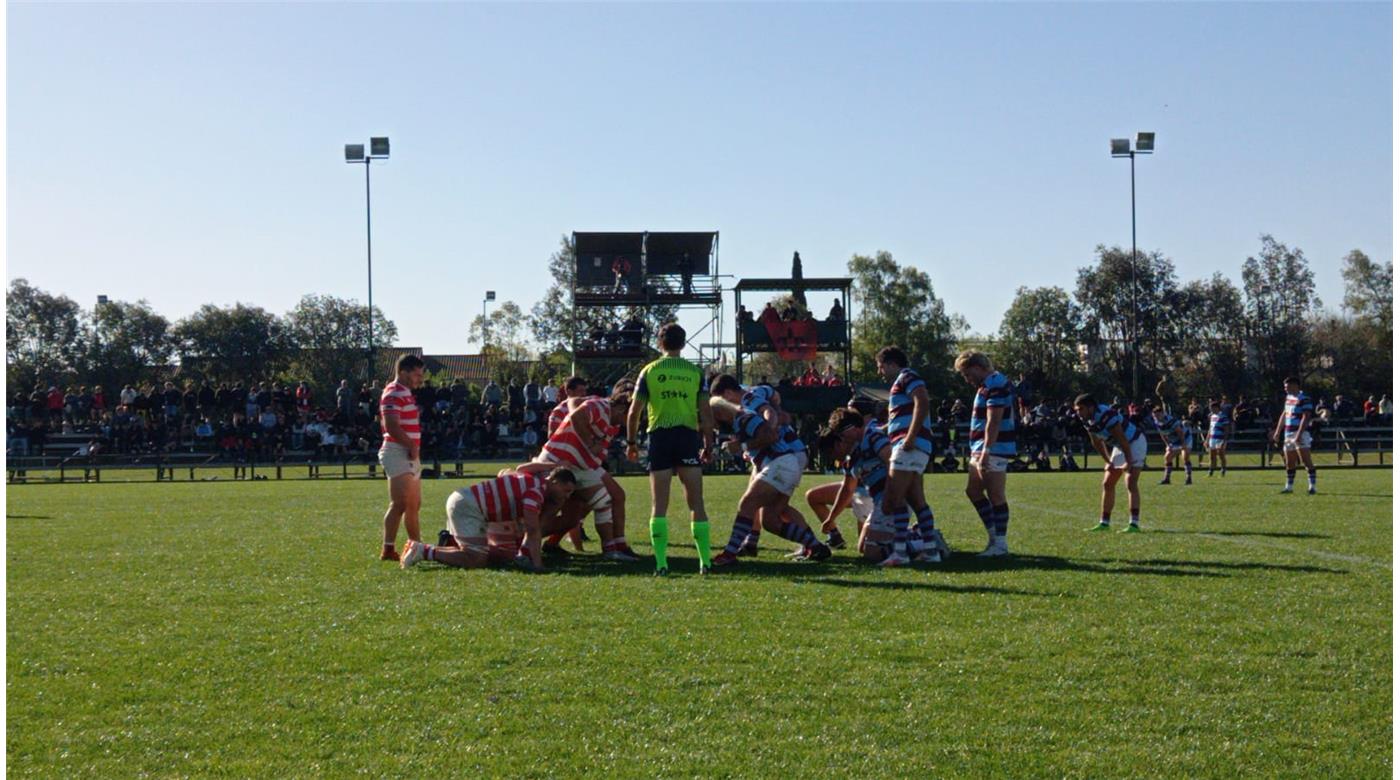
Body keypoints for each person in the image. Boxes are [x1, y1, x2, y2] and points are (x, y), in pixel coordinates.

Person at [626, 323, 714, 575]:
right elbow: (705, 412)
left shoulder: (649, 371)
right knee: (696, 503)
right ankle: (704, 562)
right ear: (684, 343)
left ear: (659, 342)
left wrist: (632, 443)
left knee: (659, 505)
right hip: (687, 437)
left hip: (660, 438)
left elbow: (634, 412)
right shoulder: (695, 372)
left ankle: (662, 564)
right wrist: (708, 443)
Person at [707, 394, 831, 568]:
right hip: (785, 465)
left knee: (747, 504)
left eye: (711, 419)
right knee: (770, 521)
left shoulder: (744, 418)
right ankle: (816, 546)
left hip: (780, 464)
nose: (712, 425)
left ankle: (730, 553)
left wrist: (742, 446)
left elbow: (770, 435)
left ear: (719, 414)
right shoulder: (741, 420)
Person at [400, 468, 577, 573]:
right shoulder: (536, 491)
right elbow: (532, 528)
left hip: (470, 504)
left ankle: (441, 545)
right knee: (477, 559)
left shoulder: (535, 485)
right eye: (565, 490)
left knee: (496, 556)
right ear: (554, 482)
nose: (567, 497)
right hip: (470, 507)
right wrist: (538, 565)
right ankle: (423, 551)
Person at [875, 346, 944, 566]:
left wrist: (910, 437)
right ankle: (931, 551)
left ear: (891, 363)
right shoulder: (901, 382)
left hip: (909, 446)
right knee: (916, 501)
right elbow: (903, 414)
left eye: (881, 367)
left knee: (895, 499)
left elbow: (922, 402)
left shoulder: (907, 376)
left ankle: (900, 553)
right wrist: (885, 428)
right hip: (913, 446)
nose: (880, 372)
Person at [956, 350, 1015, 557]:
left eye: (967, 373)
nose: (967, 379)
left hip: (994, 448)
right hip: (982, 447)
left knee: (996, 494)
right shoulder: (986, 385)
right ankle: (994, 537)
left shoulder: (995, 384)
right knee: (973, 491)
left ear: (977, 367)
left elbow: (994, 419)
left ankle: (1000, 543)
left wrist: (987, 450)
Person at [378, 354, 426, 562]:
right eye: (416, 374)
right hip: (397, 452)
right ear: (403, 372)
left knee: (414, 504)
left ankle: (417, 547)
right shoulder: (393, 392)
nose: (420, 379)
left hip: (407, 452)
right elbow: (391, 425)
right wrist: (410, 445)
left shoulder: (405, 393)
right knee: (400, 503)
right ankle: (388, 549)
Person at [1076, 393, 1146, 532]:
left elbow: (1122, 439)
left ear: (1091, 407)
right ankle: (1104, 522)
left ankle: (1134, 524)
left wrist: (1129, 462)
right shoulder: (1086, 419)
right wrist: (1108, 461)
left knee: (1130, 482)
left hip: (1134, 442)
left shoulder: (1106, 416)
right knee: (1107, 483)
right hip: (1120, 446)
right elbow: (1096, 442)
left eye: (1081, 409)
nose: (1078, 413)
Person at [1273, 377, 1317, 495]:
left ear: (1295, 385)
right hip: (1288, 433)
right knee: (1289, 462)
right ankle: (1289, 487)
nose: (1285, 389)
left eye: (1287, 387)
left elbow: (1306, 417)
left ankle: (1312, 486)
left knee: (1305, 460)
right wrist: (1278, 431)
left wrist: (1299, 434)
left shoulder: (1304, 399)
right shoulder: (1288, 398)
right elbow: (1284, 414)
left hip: (1300, 433)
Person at [1150, 406, 1193, 486]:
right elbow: (1162, 434)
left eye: (1158, 415)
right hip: (1174, 441)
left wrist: (1183, 444)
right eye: (1154, 416)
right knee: (1167, 457)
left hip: (1185, 438)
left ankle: (1188, 478)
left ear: (1163, 414)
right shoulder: (1157, 422)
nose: (1156, 417)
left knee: (1185, 457)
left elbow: (1180, 432)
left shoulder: (1171, 421)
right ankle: (1167, 479)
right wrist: (1168, 445)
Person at [1206, 400, 1231, 477]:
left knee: (1221, 454)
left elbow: (1226, 429)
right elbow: (1210, 428)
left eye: (1212, 408)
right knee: (1211, 455)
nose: (1211, 410)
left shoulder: (1223, 416)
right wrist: (1207, 440)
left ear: (1216, 408)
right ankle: (1211, 470)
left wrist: (1224, 440)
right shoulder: (1212, 416)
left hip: (1220, 438)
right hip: (1212, 438)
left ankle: (1223, 469)